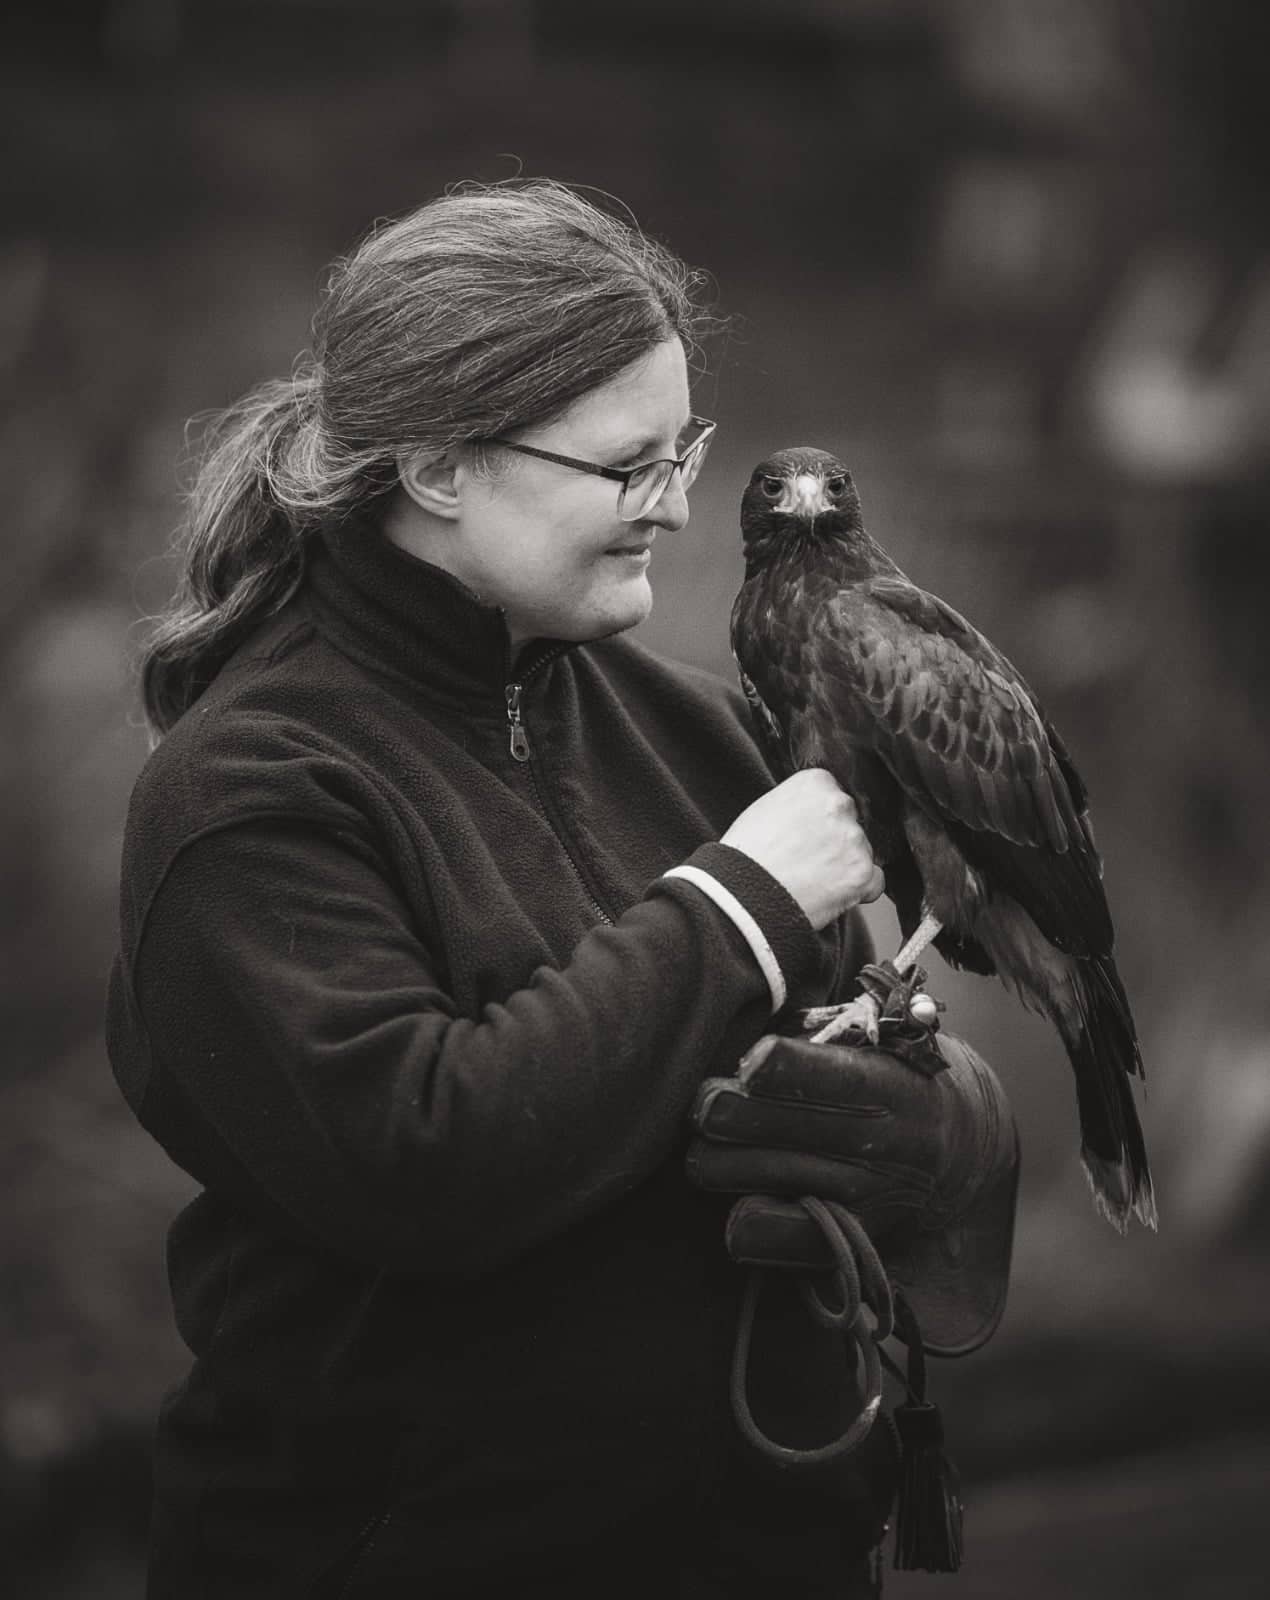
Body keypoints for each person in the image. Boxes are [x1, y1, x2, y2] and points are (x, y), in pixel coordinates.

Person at [106, 179, 1017, 1599]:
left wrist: (936, 1118)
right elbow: (418, 1159)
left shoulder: (703, 728)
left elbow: (838, 1054)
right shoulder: (254, 791)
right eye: (624, 467)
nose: (673, 506)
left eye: (685, 449)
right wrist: (735, 911)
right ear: (438, 469)